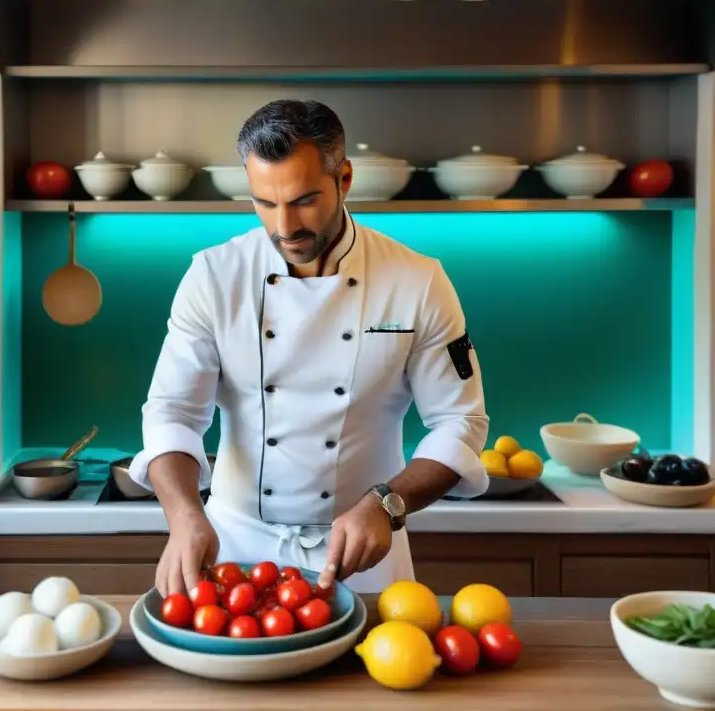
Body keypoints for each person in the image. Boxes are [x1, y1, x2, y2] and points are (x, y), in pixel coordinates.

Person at [127, 99, 489, 597]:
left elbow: (460, 423)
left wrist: (387, 503)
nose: (283, 226)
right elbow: (172, 413)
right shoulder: (213, 276)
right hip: (233, 549)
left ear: (344, 180)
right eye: (264, 203)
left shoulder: (418, 281)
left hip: (367, 552)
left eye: (303, 200)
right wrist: (185, 515)